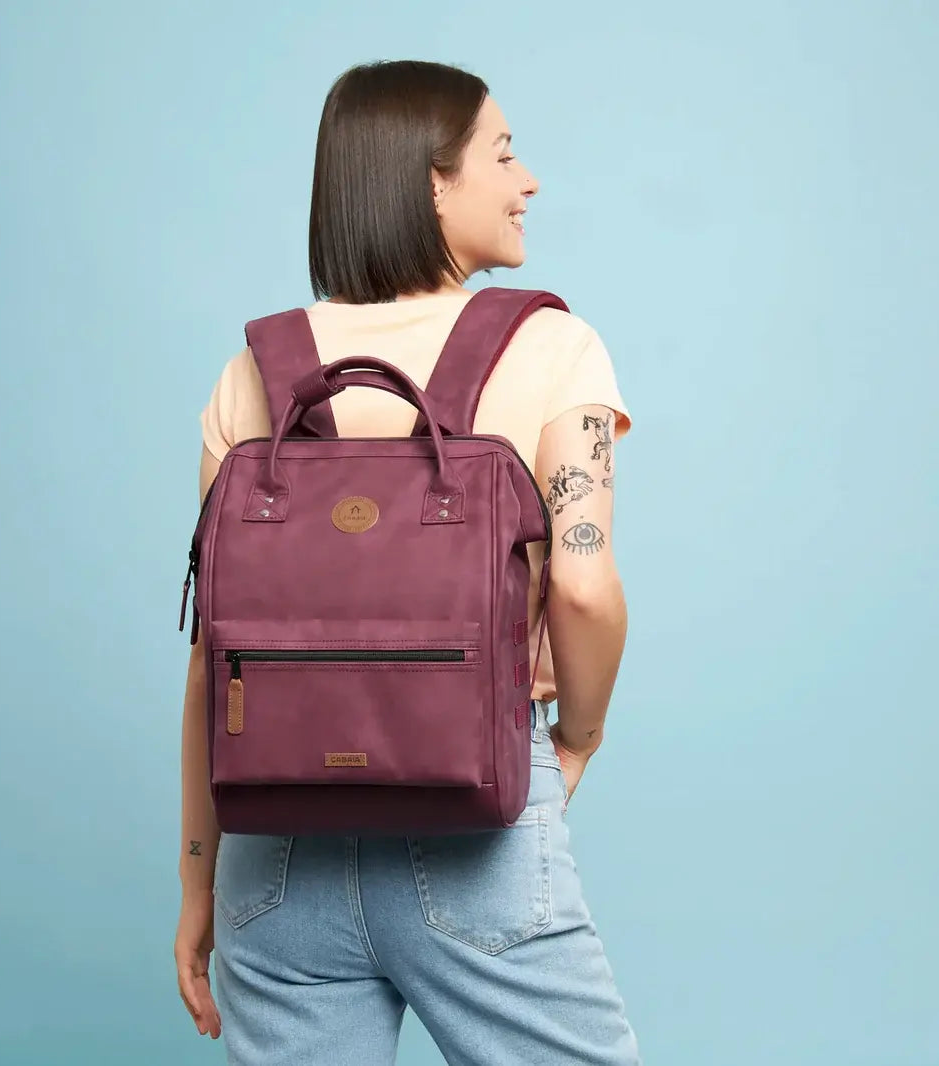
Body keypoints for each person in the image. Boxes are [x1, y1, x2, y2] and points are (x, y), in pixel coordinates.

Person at [174, 59, 642, 1065]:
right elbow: (582, 582)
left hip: (274, 852)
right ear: (432, 182)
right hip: (476, 828)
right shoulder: (553, 349)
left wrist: (196, 880)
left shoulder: (253, 372)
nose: (528, 181)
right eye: (503, 155)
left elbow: (216, 658)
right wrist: (580, 737)